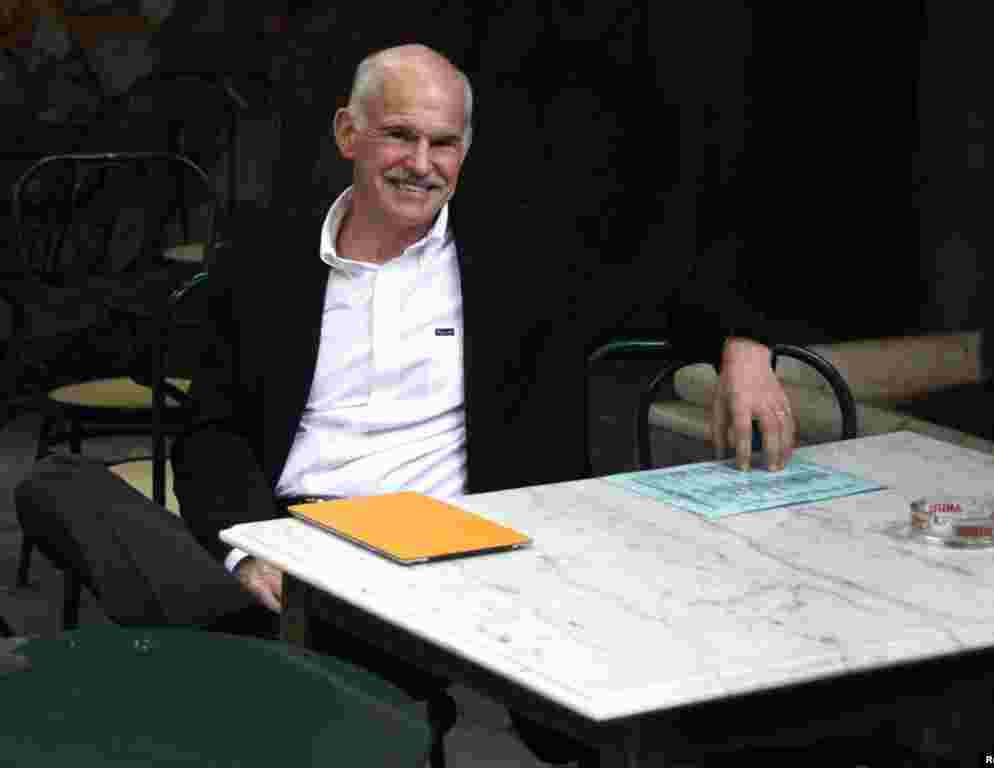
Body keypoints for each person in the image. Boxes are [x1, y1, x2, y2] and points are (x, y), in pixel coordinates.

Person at [17, 43, 800, 765]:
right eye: (399, 136)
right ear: (347, 133)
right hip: (304, 541)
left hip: (451, 551)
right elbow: (213, 430)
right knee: (60, 487)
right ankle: (269, 656)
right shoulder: (265, 261)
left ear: (464, 150)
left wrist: (744, 346)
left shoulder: (524, 257)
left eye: (444, 143)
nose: (421, 165)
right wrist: (252, 548)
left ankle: (270, 674)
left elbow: (684, 283)